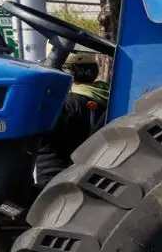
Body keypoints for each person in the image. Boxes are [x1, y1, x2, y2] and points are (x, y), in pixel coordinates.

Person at [34, 51, 110, 190]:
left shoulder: (66, 105)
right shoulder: (107, 98)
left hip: (55, 181)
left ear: (69, 72)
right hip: (94, 178)